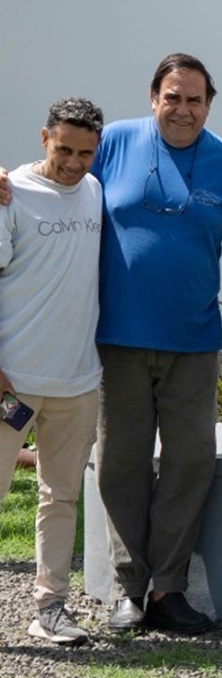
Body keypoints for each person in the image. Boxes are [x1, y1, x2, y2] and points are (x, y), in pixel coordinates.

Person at [96, 54, 222, 635]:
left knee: (191, 458)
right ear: (153, 98)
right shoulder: (113, 143)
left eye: (194, 99)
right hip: (115, 340)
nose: (183, 109)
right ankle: (130, 589)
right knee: (120, 462)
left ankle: (169, 588)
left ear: (209, 104)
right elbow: (58, 183)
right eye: (173, 96)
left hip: (194, 343)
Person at [0, 98, 107, 646]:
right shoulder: (10, 192)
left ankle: (50, 609)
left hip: (78, 381)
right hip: (11, 382)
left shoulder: (96, 189)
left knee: (59, 497)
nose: (72, 163)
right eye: (63, 149)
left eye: (85, 152)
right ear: (44, 138)